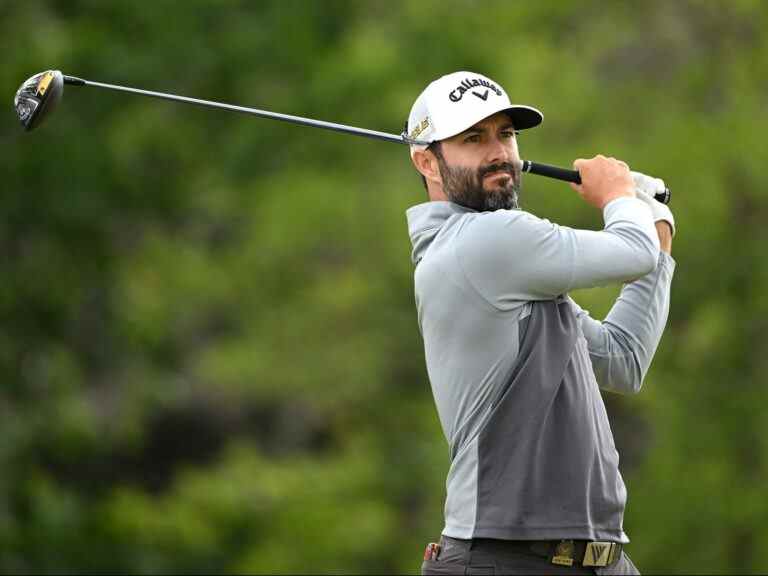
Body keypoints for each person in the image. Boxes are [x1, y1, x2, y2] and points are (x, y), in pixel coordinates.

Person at [405, 71, 676, 575]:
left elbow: (622, 360)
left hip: (598, 560)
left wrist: (655, 221)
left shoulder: (503, 266)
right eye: (472, 138)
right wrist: (619, 194)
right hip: (507, 558)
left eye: (505, 134)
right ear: (427, 161)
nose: (499, 152)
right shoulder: (485, 242)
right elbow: (632, 251)